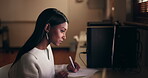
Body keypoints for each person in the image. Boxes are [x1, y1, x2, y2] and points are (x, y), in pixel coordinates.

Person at [8, 8, 80, 78]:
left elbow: (48, 70)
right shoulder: (29, 58)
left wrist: (66, 67)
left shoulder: (47, 47)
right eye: (62, 31)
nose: (64, 37)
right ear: (47, 27)